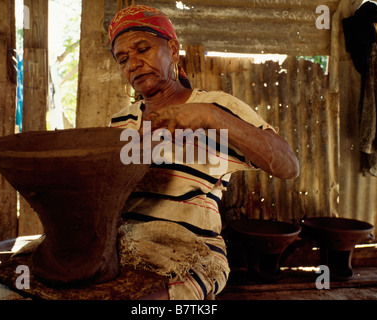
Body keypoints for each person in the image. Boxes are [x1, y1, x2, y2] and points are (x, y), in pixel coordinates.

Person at [108, 5, 299, 300]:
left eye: (142, 49)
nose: (132, 63)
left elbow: (288, 166)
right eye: (123, 58)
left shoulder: (215, 106)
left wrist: (212, 117)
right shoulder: (120, 122)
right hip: (124, 247)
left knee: (142, 304)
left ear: (172, 49)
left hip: (191, 253)